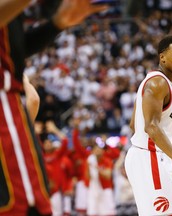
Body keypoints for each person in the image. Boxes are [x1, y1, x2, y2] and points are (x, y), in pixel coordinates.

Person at [0, 1, 108, 215]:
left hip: (11, 105)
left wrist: (57, 24)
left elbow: (17, 53)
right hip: (6, 105)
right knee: (23, 207)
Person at [124, 35, 172, 216]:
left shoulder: (158, 82)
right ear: (162, 57)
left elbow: (133, 124)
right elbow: (151, 127)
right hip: (150, 157)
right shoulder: (158, 83)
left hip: (147, 157)